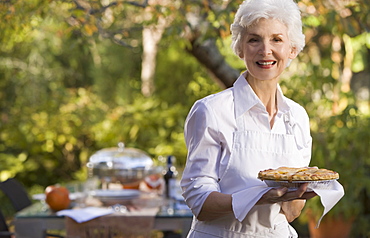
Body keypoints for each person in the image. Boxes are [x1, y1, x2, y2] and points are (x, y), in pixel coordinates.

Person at [180, 0, 317, 237]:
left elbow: (291, 213)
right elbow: (199, 202)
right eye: (254, 39)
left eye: (277, 39)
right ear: (240, 48)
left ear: (292, 49)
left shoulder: (297, 117)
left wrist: (302, 190)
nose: (266, 50)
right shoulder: (211, 111)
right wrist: (258, 197)